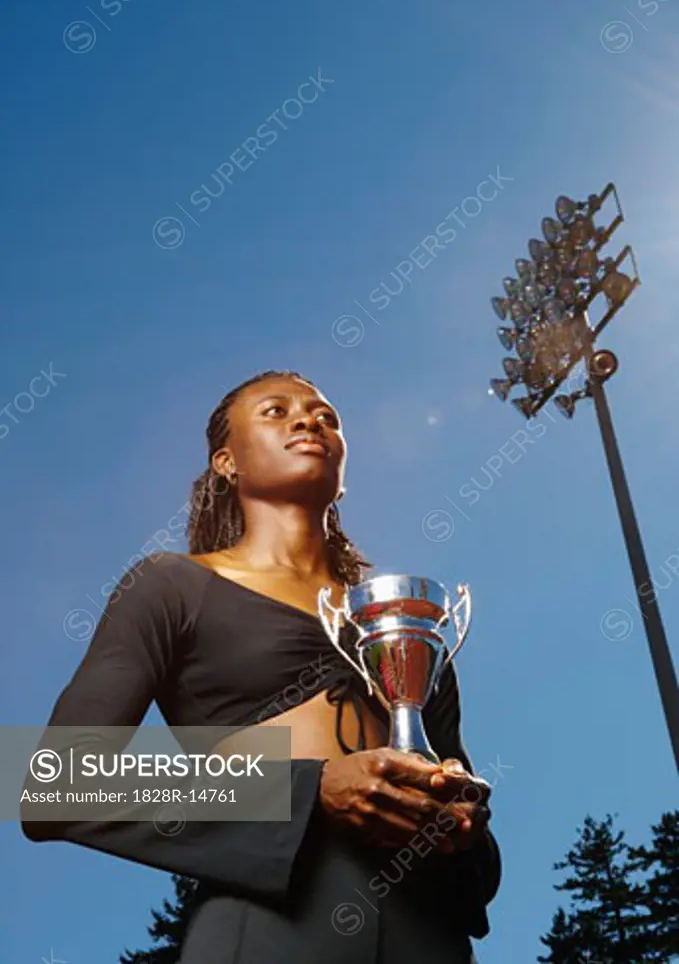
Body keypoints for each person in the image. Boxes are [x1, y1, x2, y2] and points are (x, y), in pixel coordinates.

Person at [21, 369, 501, 964]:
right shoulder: (171, 586)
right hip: (272, 918)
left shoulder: (403, 623)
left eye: (327, 416)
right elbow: (54, 783)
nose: (309, 421)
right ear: (227, 463)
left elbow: (464, 797)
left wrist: (462, 820)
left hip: (428, 925)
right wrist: (310, 793)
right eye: (276, 411)